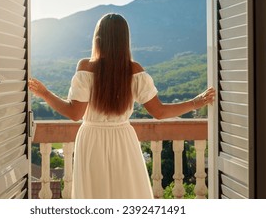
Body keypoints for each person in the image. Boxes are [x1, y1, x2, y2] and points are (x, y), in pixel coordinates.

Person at [28, 13, 215, 199]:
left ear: (98, 38)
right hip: (123, 139)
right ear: (125, 40)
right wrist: (195, 102)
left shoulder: (86, 67)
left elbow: (75, 113)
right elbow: (160, 111)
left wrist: (45, 94)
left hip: (92, 140)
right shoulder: (135, 70)